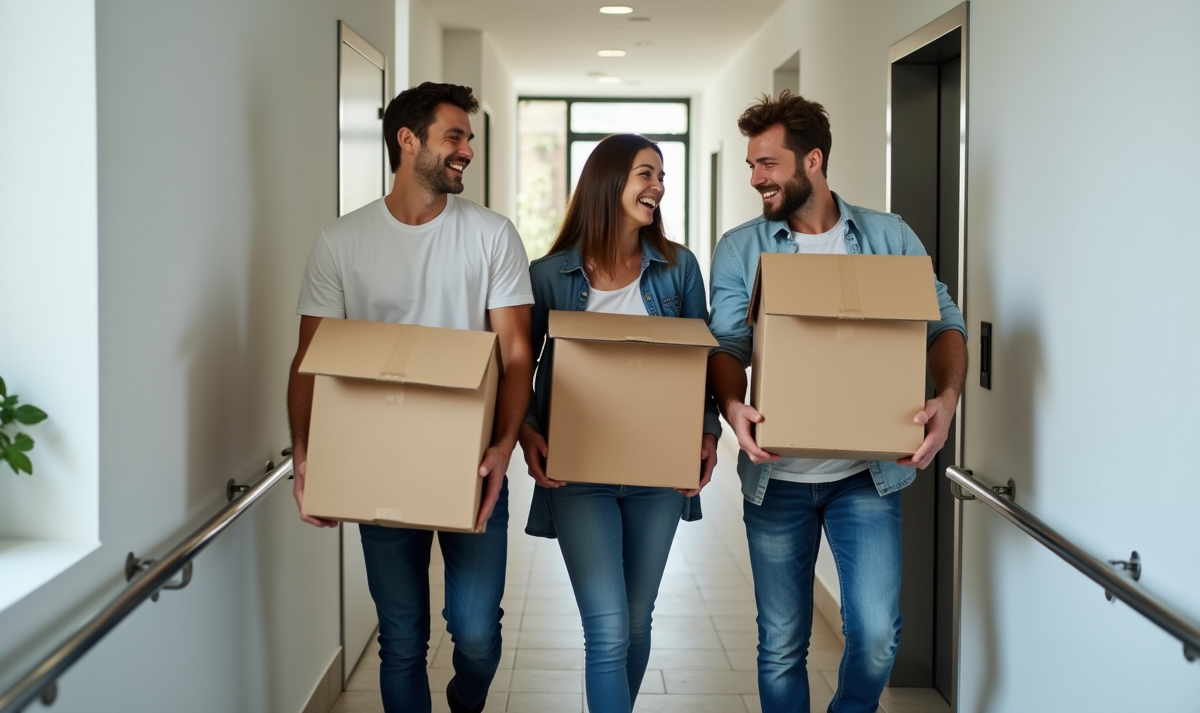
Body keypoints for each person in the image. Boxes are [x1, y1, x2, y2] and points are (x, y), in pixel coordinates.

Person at [707, 92, 967, 713]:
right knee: (781, 646)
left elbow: (944, 324)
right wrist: (731, 405)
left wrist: (948, 398)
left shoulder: (887, 236)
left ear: (813, 160)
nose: (756, 178)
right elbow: (727, 345)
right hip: (777, 477)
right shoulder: (741, 248)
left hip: (865, 477)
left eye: (768, 163)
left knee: (876, 637)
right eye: (751, 165)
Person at [286, 82, 534, 713]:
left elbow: (514, 354)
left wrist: (504, 446)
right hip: (379, 463)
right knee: (401, 641)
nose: (467, 150)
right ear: (407, 140)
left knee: (476, 634)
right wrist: (305, 454)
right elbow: (311, 359)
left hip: (472, 464)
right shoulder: (341, 241)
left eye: (469, 138)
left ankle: (465, 699)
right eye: (455, 136)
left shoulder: (492, 235)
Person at [519, 134, 721, 713]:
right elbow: (517, 364)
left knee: (635, 621)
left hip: (659, 472)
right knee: (607, 627)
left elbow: (703, 360)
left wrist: (708, 433)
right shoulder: (549, 275)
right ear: (609, 183)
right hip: (578, 472)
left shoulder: (679, 269)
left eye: (661, 175)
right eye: (645, 173)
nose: (658, 186)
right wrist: (528, 432)